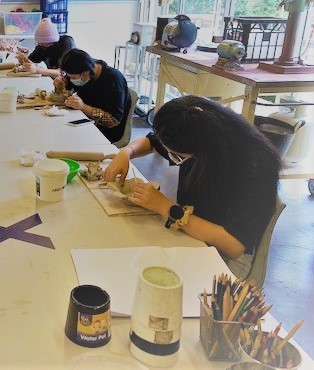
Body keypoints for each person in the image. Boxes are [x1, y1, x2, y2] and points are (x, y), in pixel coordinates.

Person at [103, 95, 281, 278]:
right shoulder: (202, 133)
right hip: (192, 229)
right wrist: (126, 152)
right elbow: (153, 142)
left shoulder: (254, 166)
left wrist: (166, 207)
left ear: (204, 152)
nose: (172, 157)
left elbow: (234, 245)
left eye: (177, 156)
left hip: (225, 257)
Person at [55, 48, 130, 143]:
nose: (71, 80)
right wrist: (59, 86)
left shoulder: (113, 80)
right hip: (85, 120)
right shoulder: (85, 72)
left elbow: (113, 120)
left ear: (85, 73)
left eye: (73, 77)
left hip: (105, 131)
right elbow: (66, 93)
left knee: (64, 140)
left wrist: (83, 107)